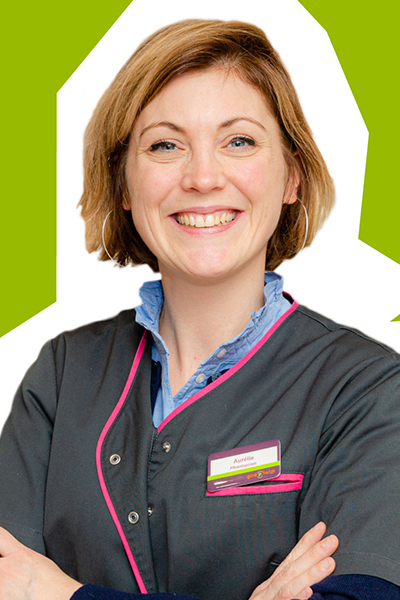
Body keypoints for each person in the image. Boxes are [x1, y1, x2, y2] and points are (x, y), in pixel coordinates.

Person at [0, 18, 399, 600]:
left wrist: (65, 594)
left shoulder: (367, 389)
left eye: (239, 141)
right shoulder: (63, 377)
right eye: (166, 145)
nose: (204, 177)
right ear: (124, 185)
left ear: (291, 176)